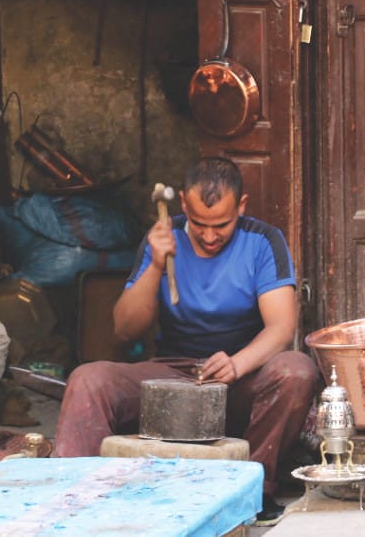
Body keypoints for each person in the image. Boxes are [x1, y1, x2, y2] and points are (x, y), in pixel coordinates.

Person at [53, 157, 323, 526]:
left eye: (222, 225)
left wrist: (236, 364)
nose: (210, 236)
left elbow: (281, 328)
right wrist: (154, 265)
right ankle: (74, 501)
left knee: (296, 370)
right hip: (170, 376)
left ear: (241, 206)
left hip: (239, 379)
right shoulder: (163, 236)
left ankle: (253, 490)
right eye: (199, 224)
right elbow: (124, 329)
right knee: (87, 379)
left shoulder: (263, 242)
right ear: (182, 204)